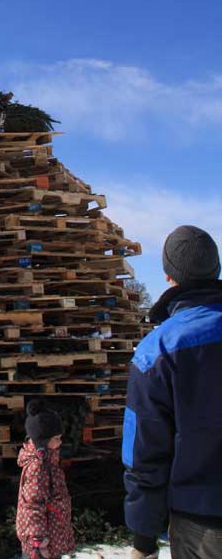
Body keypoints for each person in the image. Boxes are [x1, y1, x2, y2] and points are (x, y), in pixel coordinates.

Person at [123, 225, 222, 559]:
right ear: (217, 269)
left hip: (203, 524)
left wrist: (143, 537)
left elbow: (145, 452)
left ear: (169, 277)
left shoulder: (158, 350)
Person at [16, 399, 75, 559]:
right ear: (42, 441)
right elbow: (32, 504)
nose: (60, 442)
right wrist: (37, 540)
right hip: (41, 543)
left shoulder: (49, 462)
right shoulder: (38, 467)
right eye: (56, 438)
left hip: (51, 535)